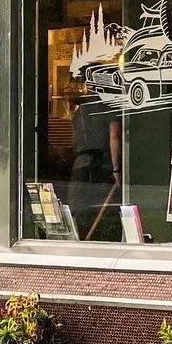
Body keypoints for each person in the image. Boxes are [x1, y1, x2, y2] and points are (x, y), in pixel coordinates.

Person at [68, 93, 122, 240]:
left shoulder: (81, 109)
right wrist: (116, 168)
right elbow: (114, 136)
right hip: (103, 161)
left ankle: (82, 237)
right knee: (104, 206)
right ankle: (98, 238)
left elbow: (74, 136)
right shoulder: (110, 106)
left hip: (81, 161)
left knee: (80, 207)